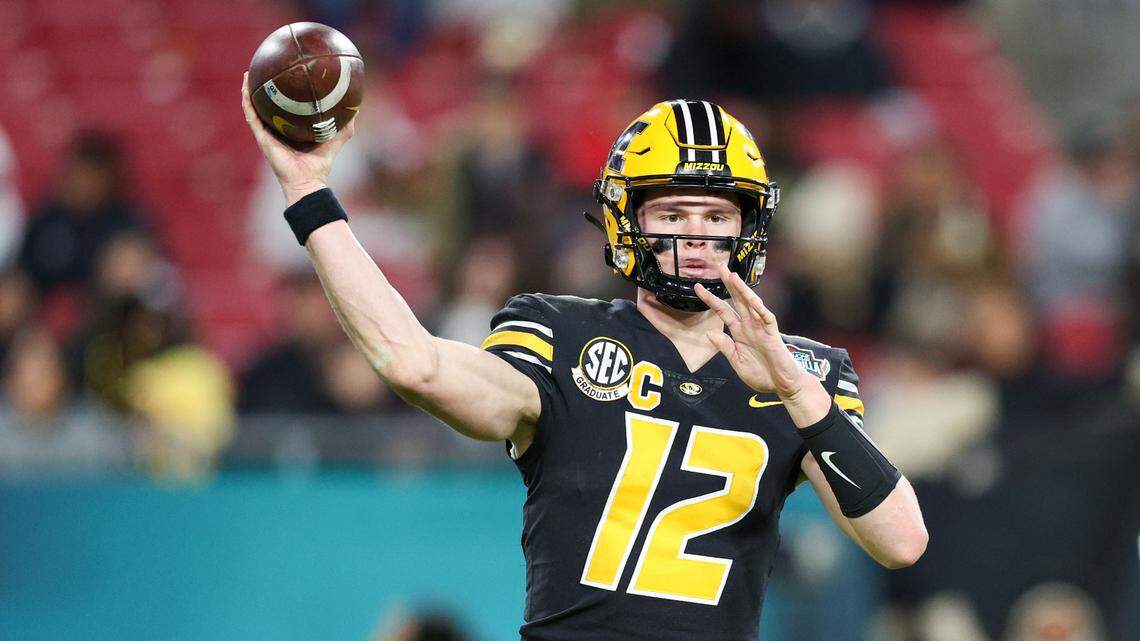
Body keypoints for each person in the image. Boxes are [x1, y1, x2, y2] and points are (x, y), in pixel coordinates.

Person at [242, 77, 927, 640]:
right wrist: (309, 195)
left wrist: (798, 392)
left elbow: (901, 540)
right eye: (675, 212)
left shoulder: (805, 370)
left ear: (749, 228)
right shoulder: (558, 331)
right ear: (627, 219)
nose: (697, 235)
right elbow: (413, 364)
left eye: (717, 216)